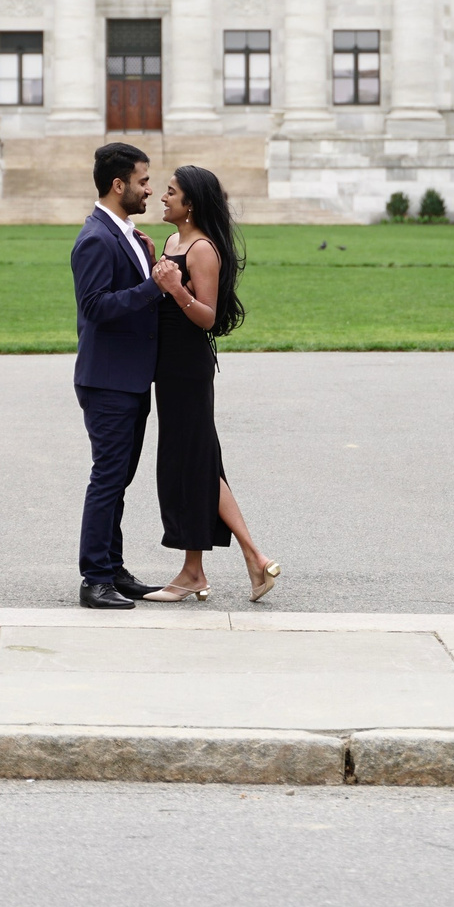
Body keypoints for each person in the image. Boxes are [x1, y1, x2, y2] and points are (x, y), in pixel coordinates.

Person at [140, 165, 280, 603]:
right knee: (197, 462)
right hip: (169, 365)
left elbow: (208, 316)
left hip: (188, 366)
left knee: (192, 463)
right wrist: (153, 261)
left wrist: (177, 288)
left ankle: (207, 569)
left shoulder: (202, 249)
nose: (163, 198)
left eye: (171, 192)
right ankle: (235, 563)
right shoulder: (171, 241)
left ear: (191, 204)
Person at [68, 142, 166, 610]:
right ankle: (94, 579)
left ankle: (113, 567)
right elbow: (95, 307)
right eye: (144, 181)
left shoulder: (125, 233)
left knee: (119, 480)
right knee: (107, 478)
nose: (149, 189)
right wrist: (153, 287)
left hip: (129, 378)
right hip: (107, 380)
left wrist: (148, 264)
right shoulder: (94, 238)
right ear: (118, 184)